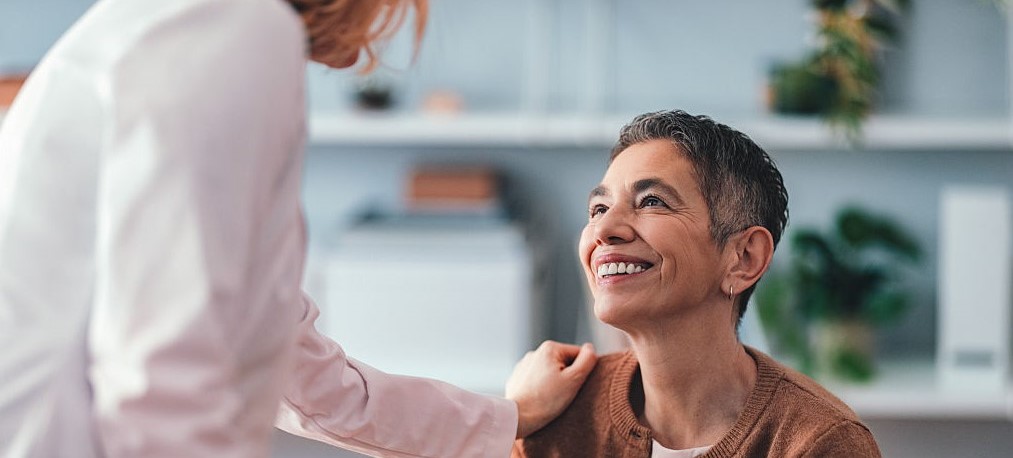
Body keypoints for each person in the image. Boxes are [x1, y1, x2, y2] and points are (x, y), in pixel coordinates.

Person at [0, 0, 597, 456]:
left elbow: (304, 377)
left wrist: (505, 417)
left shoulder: (193, 29)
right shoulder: (238, 29)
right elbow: (166, 382)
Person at [514, 110, 881, 457]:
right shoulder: (558, 417)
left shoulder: (820, 442)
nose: (605, 230)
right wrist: (517, 417)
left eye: (652, 201)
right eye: (599, 209)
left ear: (744, 258)